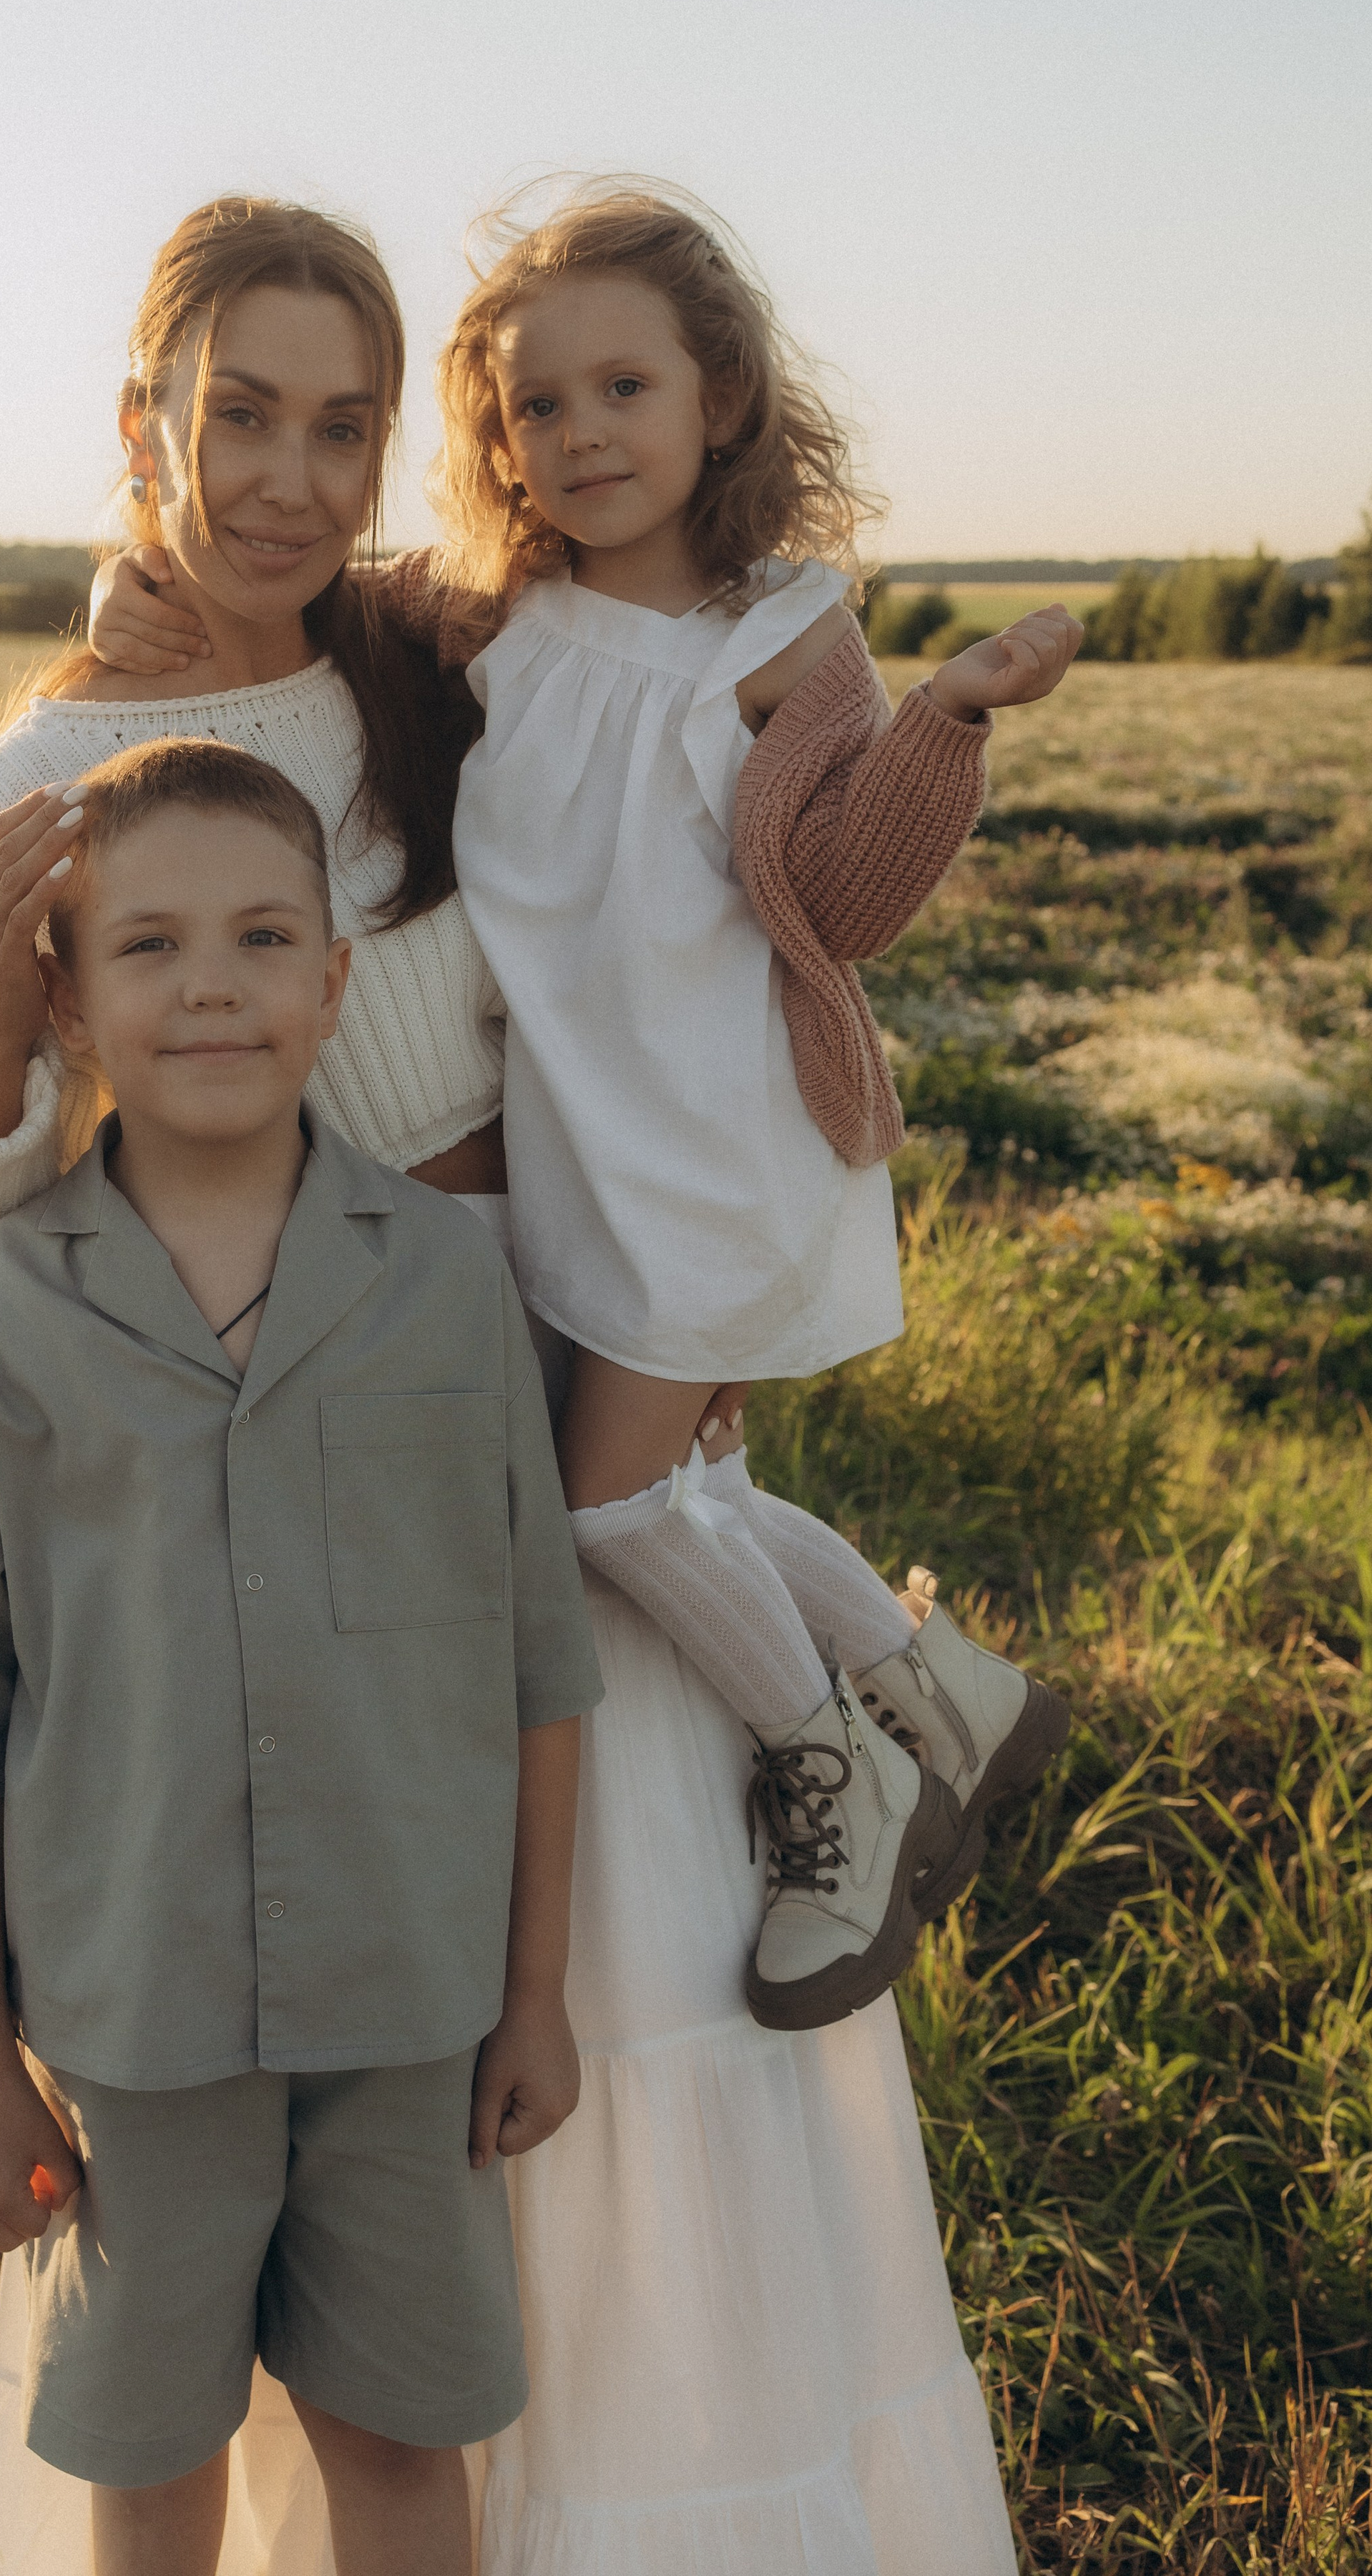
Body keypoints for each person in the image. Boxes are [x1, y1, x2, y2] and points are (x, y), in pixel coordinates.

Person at [0, 190, 1021, 2570]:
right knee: (336, 2054)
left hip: (554, 1339)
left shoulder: (435, 662)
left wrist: (676, 1307)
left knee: (612, 1979)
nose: (295, 478)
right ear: (145, 427)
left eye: (345, 427)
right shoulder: (42, 781)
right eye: (244, 421)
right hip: (280, 1445)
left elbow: (666, 933)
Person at [97, 185, 1079, 2036]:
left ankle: (840, 1763)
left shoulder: (782, 640)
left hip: (714, 1147)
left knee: (600, 1519)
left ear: (721, 399)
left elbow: (851, 893)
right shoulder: (500, 621)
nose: (583, 435)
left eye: (626, 387)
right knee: (660, 1492)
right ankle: (938, 1678)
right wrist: (125, 582)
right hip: (583, 1152)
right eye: (539, 407)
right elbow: (283, 595)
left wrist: (945, 721)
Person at [0, 743, 602, 2576]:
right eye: (150, 946)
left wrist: (536, 1988)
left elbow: (534, 1662)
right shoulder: (4, 1324)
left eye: (262, 937)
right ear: (71, 999)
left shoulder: (444, 1282)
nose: (209, 986)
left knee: (402, 2438)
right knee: (148, 2455)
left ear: (334, 987)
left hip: (408, 2006)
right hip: (135, 2025)